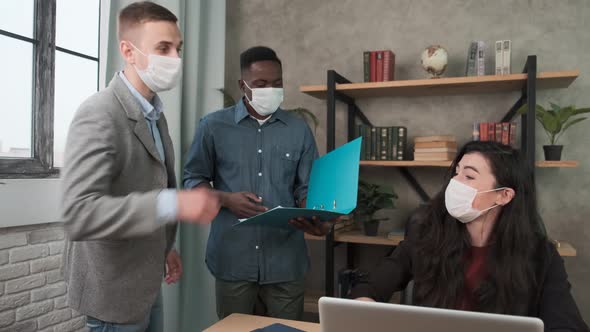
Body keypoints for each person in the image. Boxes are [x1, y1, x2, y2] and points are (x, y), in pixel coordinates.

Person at [60, 2, 221, 331]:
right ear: (127, 51)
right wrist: (172, 203)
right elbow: (78, 214)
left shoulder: (154, 115)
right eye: (163, 48)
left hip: (145, 281)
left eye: (178, 48)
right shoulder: (99, 112)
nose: (176, 59)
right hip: (113, 291)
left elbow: (145, 184)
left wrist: (166, 248)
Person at [352, 141, 588, 331]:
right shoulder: (425, 235)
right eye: (456, 173)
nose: (455, 183)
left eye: (469, 176)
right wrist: (364, 307)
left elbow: (567, 325)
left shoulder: (541, 255)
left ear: (503, 195)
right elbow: (370, 286)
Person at [183, 46, 334, 320]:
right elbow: (193, 179)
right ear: (243, 85)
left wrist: (313, 214)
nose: (271, 90)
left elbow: (307, 187)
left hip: (286, 261)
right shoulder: (213, 126)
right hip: (233, 259)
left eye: (277, 83)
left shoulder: (298, 129)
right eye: (261, 84)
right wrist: (226, 199)